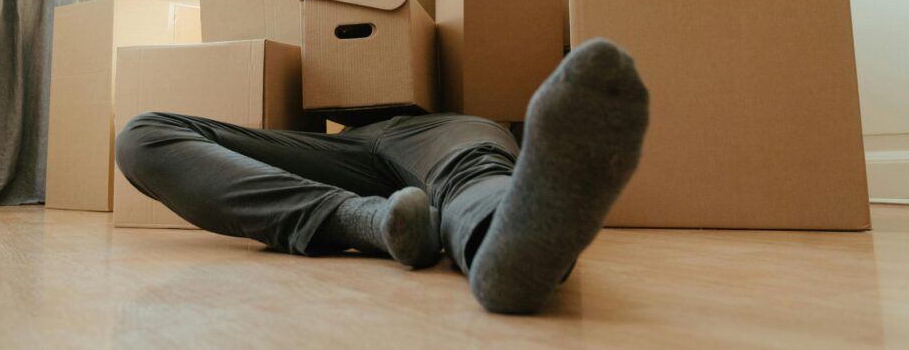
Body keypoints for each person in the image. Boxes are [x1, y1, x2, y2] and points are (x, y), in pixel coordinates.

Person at [115, 38, 649, 315]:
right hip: (340, 150)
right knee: (143, 134)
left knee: (471, 168)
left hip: (439, 127)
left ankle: (506, 248)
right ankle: (368, 222)